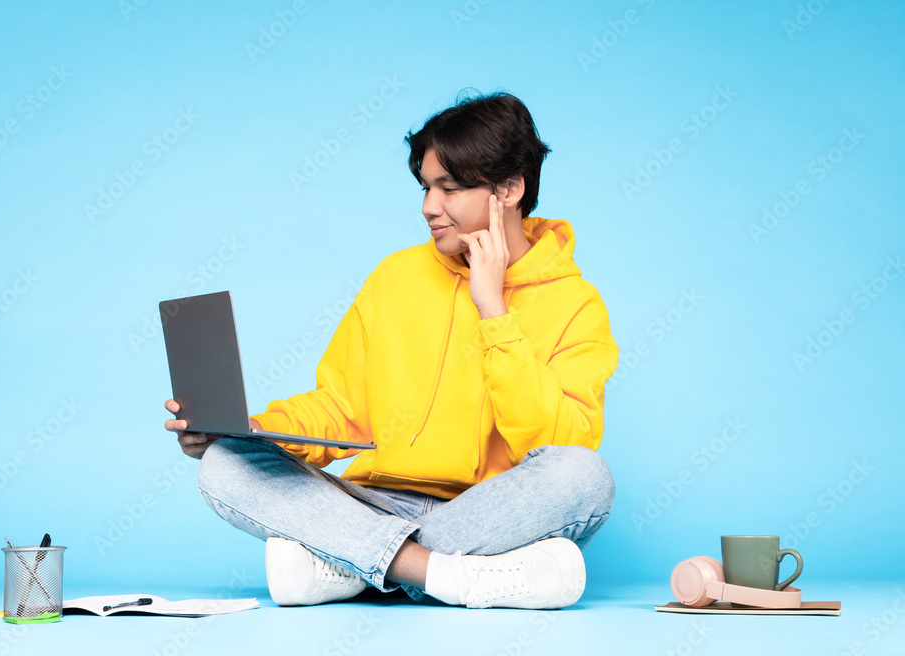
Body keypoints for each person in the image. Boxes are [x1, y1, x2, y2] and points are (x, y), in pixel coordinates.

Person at [165, 91, 619, 610]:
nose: (429, 207)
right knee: (226, 464)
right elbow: (341, 408)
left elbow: (559, 444)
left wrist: (495, 312)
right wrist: (248, 428)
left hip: (490, 514)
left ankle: (347, 565)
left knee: (586, 476)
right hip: (373, 503)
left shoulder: (575, 303)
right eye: (427, 186)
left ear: (510, 188)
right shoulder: (394, 276)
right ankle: (438, 573)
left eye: (449, 188)